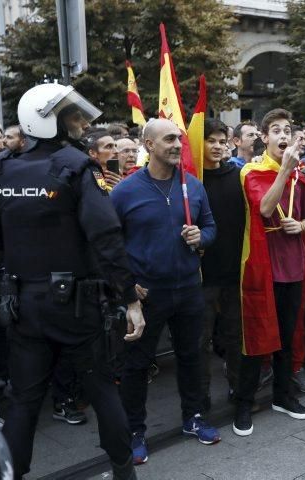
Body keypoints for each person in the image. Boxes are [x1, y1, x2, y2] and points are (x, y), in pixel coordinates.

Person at [0, 83, 146, 480]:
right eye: (71, 116)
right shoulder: (75, 166)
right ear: (48, 121)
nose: (80, 124)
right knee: (102, 388)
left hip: (23, 303)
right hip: (79, 304)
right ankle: (123, 471)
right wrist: (129, 299)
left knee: (23, 401)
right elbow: (106, 239)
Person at [111, 118, 219, 463]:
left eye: (179, 139)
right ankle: (134, 430)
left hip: (188, 287)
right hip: (148, 294)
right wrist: (128, 286)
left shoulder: (193, 186)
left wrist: (202, 237)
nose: (177, 144)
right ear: (148, 144)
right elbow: (110, 246)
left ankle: (194, 417)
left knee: (192, 356)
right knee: (137, 364)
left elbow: (211, 226)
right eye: (169, 138)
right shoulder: (125, 191)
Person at [234, 108, 305, 437]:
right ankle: (244, 402)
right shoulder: (252, 172)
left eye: (287, 130)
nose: (283, 135)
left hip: (294, 266)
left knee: (288, 333)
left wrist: (302, 224)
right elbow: (265, 208)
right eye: (276, 131)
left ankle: (283, 395)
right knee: (257, 336)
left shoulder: (302, 176)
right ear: (264, 138)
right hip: (263, 267)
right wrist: (284, 171)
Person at [199, 119, 245, 409]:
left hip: (233, 271)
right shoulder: (189, 179)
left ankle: (239, 392)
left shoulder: (237, 175)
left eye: (221, 141)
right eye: (211, 141)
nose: (217, 146)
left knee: (235, 337)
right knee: (200, 341)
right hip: (201, 276)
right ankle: (200, 399)